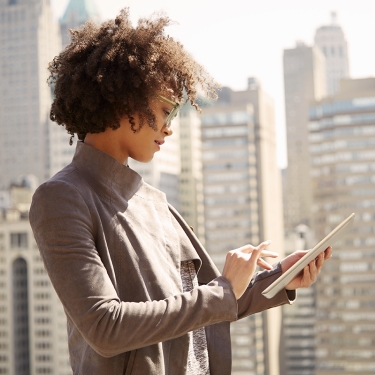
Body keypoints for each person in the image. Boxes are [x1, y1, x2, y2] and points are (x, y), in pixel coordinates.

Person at [29, 9, 331, 375]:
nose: (170, 129)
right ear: (125, 102)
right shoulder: (61, 198)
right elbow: (104, 327)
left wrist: (280, 277)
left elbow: (208, 300)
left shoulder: (155, 201)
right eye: (166, 112)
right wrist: (221, 291)